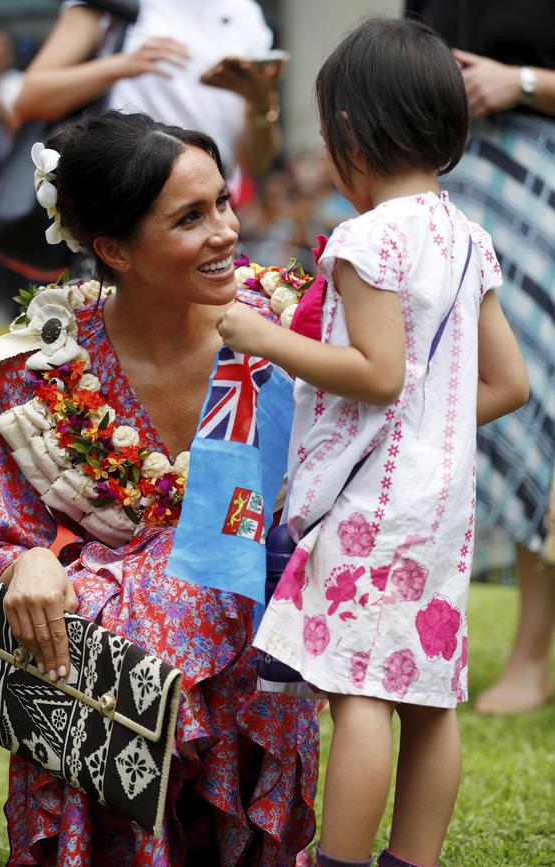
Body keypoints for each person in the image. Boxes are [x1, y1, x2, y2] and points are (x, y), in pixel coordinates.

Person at [0, 110, 318, 865]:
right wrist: (29, 560)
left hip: (257, 607)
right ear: (114, 249)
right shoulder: (38, 367)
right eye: (190, 217)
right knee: (96, 603)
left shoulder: (286, 327)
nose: (225, 231)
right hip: (109, 651)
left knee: (198, 585)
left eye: (222, 201)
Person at [217, 18, 529, 867]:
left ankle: (342, 859)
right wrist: (430, 437)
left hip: (370, 509)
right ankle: (413, 860)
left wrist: (264, 335)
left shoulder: (364, 239)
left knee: (357, 692)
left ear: (349, 133)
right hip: (441, 506)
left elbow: (379, 371)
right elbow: (510, 385)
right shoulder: (468, 237)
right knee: (428, 697)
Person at [405, 0, 555, 717]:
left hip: (543, 176)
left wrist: (524, 82)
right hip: (453, 176)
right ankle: (425, 618)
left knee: (538, 421)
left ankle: (531, 652)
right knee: (437, 395)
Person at [14, 0, 285, 182]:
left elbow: (255, 164)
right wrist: (122, 65)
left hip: (206, 203)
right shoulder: (115, 4)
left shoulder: (246, 14)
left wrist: (261, 102)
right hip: (124, 195)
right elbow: (31, 97)